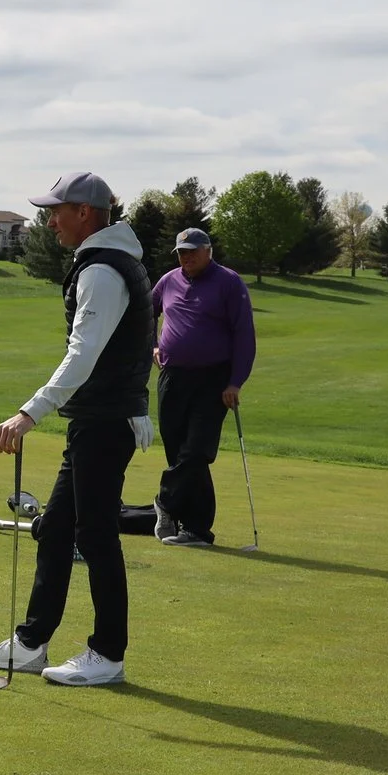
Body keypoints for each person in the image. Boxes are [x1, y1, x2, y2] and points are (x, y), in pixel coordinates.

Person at [0, 172, 154, 688]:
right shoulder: (111, 261)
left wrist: (30, 412)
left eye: (57, 211)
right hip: (98, 418)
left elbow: (84, 353)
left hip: (104, 421)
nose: (50, 221)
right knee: (55, 527)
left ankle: (107, 653)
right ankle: (31, 643)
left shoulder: (103, 270)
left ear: (85, 213)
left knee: (95, 536)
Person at [149, 225, 256, 548]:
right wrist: (152, 345)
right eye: (182, 252)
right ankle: (195, 530)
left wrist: (236, 382)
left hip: (214, 380)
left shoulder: (228, 282)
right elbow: (144, 314)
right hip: (172, 377)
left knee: (196, 451)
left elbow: (244, 335)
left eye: (193, 250)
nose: (187, 257)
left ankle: (165, 502)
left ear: (208, 250)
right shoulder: (168, 281)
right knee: (178, 451)